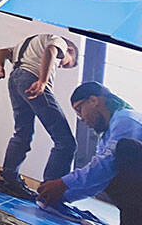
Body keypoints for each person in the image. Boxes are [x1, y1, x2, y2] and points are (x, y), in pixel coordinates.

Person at [39, 82, 142, 224]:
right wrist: (62, 195)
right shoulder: (107, 135)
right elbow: (97, 180)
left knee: (125, 149)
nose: (81, 118)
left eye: (79, 109)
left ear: (93, 100)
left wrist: (62, 183)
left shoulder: (127, 120)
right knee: (108, 173)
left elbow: (104, 166)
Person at [0, 34, 79, 199]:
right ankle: (50, 194)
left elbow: (3, 51)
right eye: (65, 63)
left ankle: (8, 180)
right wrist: (43, 81)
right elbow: (51, 50)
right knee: (66, 142)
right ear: (70, 50)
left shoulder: (29, 42)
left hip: (15, 80)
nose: (59, 66)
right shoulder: (58, 41)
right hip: (31, 79)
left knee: (22, 133)